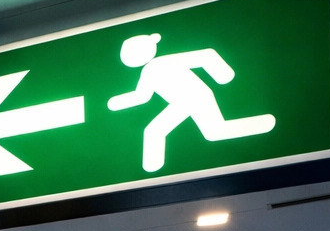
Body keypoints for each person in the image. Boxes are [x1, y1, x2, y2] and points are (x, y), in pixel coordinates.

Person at [107, 33, 275, 172]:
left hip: (197, 96)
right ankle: (152, 166)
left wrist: (223, 74)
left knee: (162, 130)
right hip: (181, 103)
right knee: (161, 130)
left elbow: (205, 55)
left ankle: (262, 124)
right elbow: (142, 96)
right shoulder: (148, 71)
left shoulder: (165, 61)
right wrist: (116, 102)